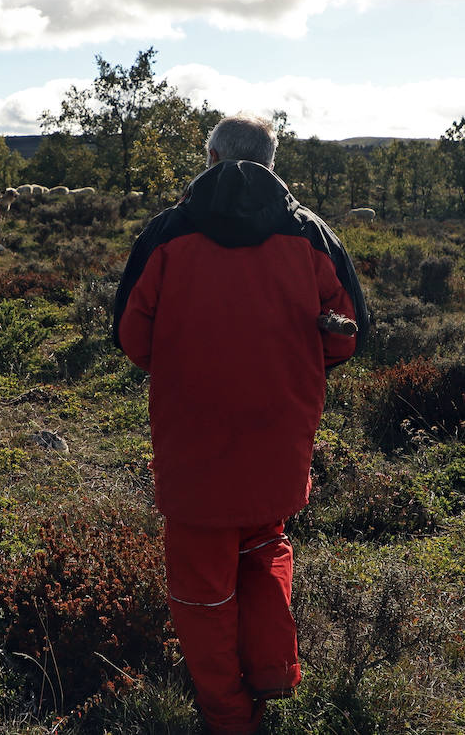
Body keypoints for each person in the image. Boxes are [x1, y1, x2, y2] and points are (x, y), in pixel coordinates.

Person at [112, 114, 368, 734]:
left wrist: (178, 365)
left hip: (192, 433)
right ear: (271, 161)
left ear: (212, 156)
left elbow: (130, 334)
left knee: (202, 586)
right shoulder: (310, 235)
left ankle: (230, 717)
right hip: (279, 432)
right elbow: (350, 332)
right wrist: (293, 368)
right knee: (263, 546)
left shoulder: (168, 233)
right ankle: (274, 675)